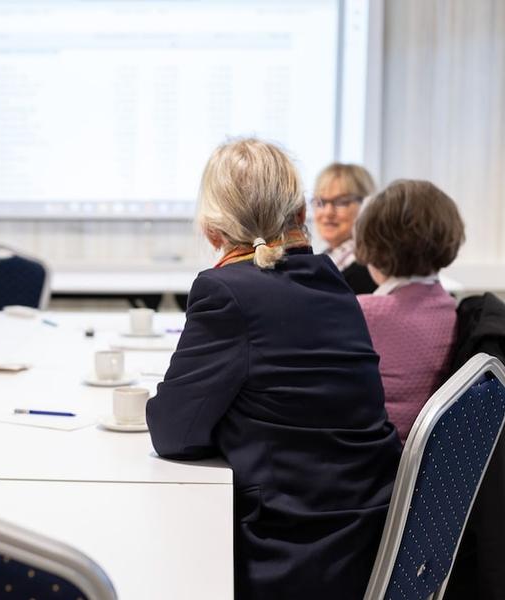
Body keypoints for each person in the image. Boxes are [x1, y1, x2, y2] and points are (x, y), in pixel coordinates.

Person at [146, 139, 400, 600]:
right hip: (365, 539)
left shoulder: (225, 291)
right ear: (301, 213)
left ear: (212, 228)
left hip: (290, 554)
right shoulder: (331, 280)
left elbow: (172, 434)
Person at [355, 179, 465, 442]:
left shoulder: (364, 313)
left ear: (372, 243)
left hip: (368, 465)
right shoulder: (451, 308)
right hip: (423, 467)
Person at [312, 163, 378, 293]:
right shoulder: (326, 259)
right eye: (321, 202)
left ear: (366, 206)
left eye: (341, 202)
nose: (328, 212)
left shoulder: (368, 271)